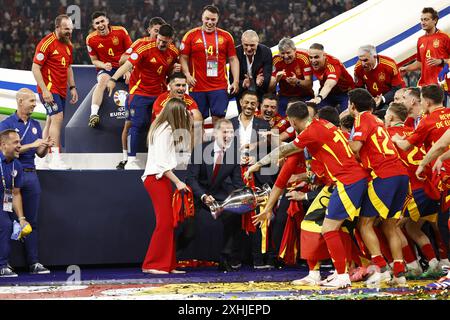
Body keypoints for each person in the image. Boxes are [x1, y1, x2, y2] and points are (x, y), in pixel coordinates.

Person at [246, 101, 370, 289]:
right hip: (339, 183)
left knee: (330, 228)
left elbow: (283, 150)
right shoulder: (322, 126)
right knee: (310, 224)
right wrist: (269, 207)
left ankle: (342, 274)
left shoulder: (310, 134)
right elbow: (282, 179)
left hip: (347, 181)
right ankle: (316, 273)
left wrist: (257, 164)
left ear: (293, 122)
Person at [347, 88, 410, 286]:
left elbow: (355, 148)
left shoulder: (362, 118)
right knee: (389, 225)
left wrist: (344, 143)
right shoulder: (378, 121)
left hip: (384, 174)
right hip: (401, 174)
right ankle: (400, 274)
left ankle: (381, 269)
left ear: (352, 106)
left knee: (364, 224)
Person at [107, 24, 179, 170]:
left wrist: (175, 70)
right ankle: (131, 160)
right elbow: (127, 65)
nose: (160, 43)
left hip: (158, 94)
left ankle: (158, 160)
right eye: (158, 39)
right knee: (136, 125)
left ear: (170, 40)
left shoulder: (173, 52)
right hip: (139, 93)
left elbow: (169, 73)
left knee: (160, 128)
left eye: (164, 41)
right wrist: (113, 79)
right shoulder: (144, 47)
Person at [385, 103, 442, 278]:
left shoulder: (387, 135)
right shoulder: (414, 131)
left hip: (412, 190)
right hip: (428, 186)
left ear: (392, 117)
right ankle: (434, 263)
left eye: (386, 114)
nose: (385, 118)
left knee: (392, 226)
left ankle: (412, 265)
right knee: (412, 228)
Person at [0, 89, 54, 275]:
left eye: (34, 101)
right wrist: (32, 145)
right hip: (10, 174)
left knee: (31, 221)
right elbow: (5, 152)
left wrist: (44, 146)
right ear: (20, 101)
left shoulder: (35, 125)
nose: (34, 104)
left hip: (30, 174)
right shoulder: (6, 124)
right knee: (6, 220)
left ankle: (33, 262)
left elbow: (39, 154)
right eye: (31, 100)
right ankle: (4, 263)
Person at [186, 119, 245, 272]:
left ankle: (225, 258)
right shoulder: (200, 150)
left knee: (234, 215)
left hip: (219, 198)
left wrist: (245, 197)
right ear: (215, 133)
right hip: (199, 196)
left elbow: (238, 184)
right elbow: (191, 178)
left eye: (231, 132)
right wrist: (204, 196)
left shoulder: (233, 155)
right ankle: (179, 255)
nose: (228, 135)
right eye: (225, 132)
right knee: (188, 227)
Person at [141, 98, 191, 274]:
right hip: (157, 178)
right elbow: (162, 163)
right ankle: (152, 264)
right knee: (165, 222)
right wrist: (178, 182)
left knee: (169, 222)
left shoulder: (162, 127)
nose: (187, 114)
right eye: (184, 112)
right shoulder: (165, 130)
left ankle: (168, 264)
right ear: (177, 112)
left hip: (159, 178)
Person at [116, 17, 167, 170]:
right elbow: (122, 60)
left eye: (160, 32)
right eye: (156, 31)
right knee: (130, 124)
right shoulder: (140, 43)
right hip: (137, 91)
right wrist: (130, 67)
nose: (157, 34)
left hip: (157, 93)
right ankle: (126, 158)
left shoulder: (165, 47)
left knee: (157, 126)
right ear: (149, 30)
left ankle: (155, 159)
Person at [31, 14, 78, 170]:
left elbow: (69, 67)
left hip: (61, 90)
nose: (69, 32)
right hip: (49, 89)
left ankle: (41, 158)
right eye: (66, 29)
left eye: (71, 29)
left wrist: (72, 87)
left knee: (51, 120)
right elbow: (35, 68)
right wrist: (45, 91)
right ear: (57, 27)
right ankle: (55, 158)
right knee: (57, 118)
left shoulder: (68, 45)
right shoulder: (46, 44)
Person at [180, 4, 240, 125]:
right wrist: (187, 75)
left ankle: (218, 145)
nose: (209, 22)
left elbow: (233, 59)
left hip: (219, 87)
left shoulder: (226, 36)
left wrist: (236, 81)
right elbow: (183, 57)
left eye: (213, 19)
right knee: (197, 122)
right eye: (207, 18)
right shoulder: (191, 35)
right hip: (197, 86)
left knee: (219, 121)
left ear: (217, 19)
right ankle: (197, 145)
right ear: (202, 18)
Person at [86, 11, 132, 128]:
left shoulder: (121, 31)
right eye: (97, 23)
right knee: (101, 81)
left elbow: (131, 53)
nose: (100, 25)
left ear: (107, 21)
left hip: (124, 66)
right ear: (94, 26)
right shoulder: (90, 39)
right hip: (108, 69)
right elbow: (94, 60)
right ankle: (94, 114)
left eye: (102, 21)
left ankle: (134, 113)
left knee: (133, 80)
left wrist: (127, 69)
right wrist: (103, 65)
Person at [0, 129, 29, 277]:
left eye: (20, 142)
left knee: (12, 226)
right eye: (15, 142)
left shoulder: (16, 165)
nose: (20, 145)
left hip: (6, 200)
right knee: (4, 225)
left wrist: (21, 219)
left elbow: (16, 193)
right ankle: (2, 265)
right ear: (4, 145)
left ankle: (3, 262)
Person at [399, 7, 450, 87]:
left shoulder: (444, 37)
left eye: (426, 19)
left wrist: (441, 61)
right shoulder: (420, 40)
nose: (423, 22)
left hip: (441, 84)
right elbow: (420, 63)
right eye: (422, 20)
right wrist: (406, 68)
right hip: (425, 85)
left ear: (435, 20)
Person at [354, 45, 405, 114]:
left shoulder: (389, 65)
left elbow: (397, 88)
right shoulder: (358, 68)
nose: (363, 64)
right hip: (373, 100)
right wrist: (370, 100)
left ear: (374, 56)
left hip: (392, 96)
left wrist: (383, 99)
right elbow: (359, 89)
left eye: (365, 60)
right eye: (360, 60)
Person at [269, 38, 313, 116]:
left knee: (307, 119)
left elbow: (309, 84)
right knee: (279, 120)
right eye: (282, 53)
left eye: (288, 53)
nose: (285, 56)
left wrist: (296, 81)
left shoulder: (304, 58)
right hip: (285, 97)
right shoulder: (275, 60)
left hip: (304, 96)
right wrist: (276, 80)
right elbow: (270, 88)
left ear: (294, 50)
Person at [232, 30, 272, 112]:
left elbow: (267, 76)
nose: (249, 48)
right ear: (242, 43)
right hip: (243, 89)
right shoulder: (236, 52)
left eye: (252, 45)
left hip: (260, 88)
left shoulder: (266, 52)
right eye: (246, 45)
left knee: (272, 81)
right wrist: (243, 83)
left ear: (258, 43)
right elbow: (232, 79)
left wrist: (259, 82)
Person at [307, 43, 354, 112]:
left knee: (347, 116)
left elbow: (329, 85)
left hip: (345, 92)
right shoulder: (310, 58)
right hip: (328, 94)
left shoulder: (333, 65)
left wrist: (319, 97)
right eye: (311, 57)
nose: (313, 61)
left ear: (324, 55)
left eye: (316, 57)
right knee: (318, 113)